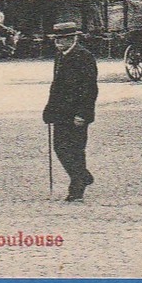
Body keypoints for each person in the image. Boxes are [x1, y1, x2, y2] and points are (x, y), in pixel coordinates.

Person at [42, 20, 99, 202]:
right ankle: (83, 175)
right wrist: (49, 109)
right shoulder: (60, 56)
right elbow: (56, 86)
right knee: (60, 148)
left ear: (73, 38)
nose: (58, 43)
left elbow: (90, 88)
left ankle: (76, 190)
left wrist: (83, 114)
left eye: (63, 39)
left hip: (77, 113)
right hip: (60, 112)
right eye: (56, 40)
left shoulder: (84, 56)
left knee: (75, 150)